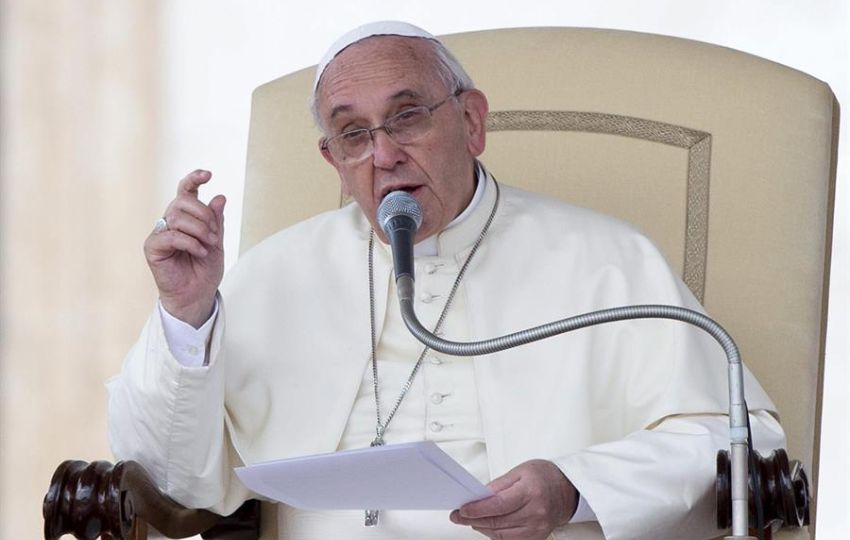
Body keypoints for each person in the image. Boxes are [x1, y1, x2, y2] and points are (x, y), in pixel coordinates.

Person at [108, 21, 785, 540]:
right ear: (333, 160)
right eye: (352, 135)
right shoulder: (275, 271)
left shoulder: (605, 256)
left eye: (407, 117)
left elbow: (741, 441)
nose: (384, 154)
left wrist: (574, 485)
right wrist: (188, 313)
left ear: (471, 122)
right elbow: (173, 477)